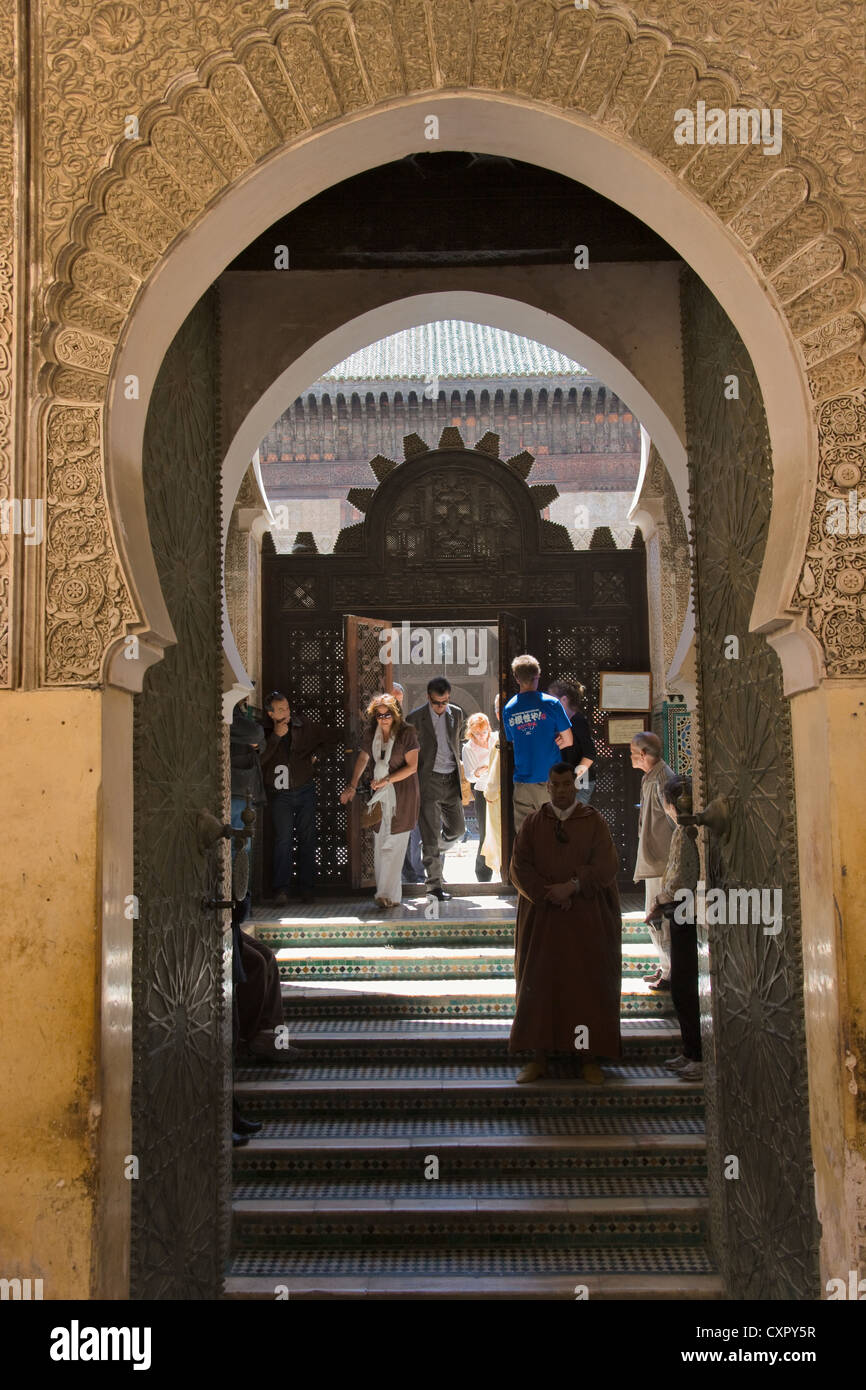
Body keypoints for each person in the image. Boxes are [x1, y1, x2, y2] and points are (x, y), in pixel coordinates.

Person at [509, 762, 622, 1084]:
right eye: (555, 785)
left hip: (584, 921)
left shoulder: (594, 822)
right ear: (548, 787)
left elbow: (606, 864)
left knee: (584, 988)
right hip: (543, 921)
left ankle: (586, 1057)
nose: (561, 790)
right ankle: (539, 1057)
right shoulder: (533, 823)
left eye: (566, 785)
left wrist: (573, 886)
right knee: (539, 988)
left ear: (575, 785)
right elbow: (519, 867)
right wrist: (548, 895)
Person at [260, 690, 341, 906]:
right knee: (283, 841)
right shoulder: (264, 730)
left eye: (286, 707)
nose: (285, 712)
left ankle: (307, 889)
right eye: (280, 710)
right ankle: (281, 890)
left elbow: (329, 737)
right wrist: (276, 736)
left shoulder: (303, 725)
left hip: (304, 790)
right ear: (270, 714)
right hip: (279, 794)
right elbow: (259, 760)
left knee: (308, 839)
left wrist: (317, 757)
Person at [340, 693, 420, 908]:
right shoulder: (371, 734)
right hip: (380, 795)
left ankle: (384, 894)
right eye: (379, 715)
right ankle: (391, 896)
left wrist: (387, 780)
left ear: (395, 715)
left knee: (395, 844)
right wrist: (352, 785)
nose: (383, 719)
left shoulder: (407, 732)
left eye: (387, 715)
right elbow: (364, 758)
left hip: (402, 794)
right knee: (381, 842)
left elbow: (412, 767)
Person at [647, 776, 702, 1081]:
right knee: (683, 985)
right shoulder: (688, 830)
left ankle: (697, 1054)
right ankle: (690, 1051)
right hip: (688, 911)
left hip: (684, 912)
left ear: (669, 803)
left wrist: (658, 900)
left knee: (685, 986)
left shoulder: (685, 832)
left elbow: (679, 880)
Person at [406, 677, 465, 901]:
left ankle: (430, 846)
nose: (441, 707)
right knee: (430, 834)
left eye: (445, 702)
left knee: (458, 830)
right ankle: (434, 886)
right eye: (437, 703)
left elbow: (455, 744)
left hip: (450, 779)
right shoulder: (415, 719)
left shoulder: (456, 714)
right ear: (429, 698)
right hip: (428, 779)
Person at [502, 654, 573, 832]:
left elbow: (512, 739)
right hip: (551, 780)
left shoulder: (509, 708)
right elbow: (569, 740)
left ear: (517, 678)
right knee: (554, 832)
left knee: (526, 835)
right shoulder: (552, 704)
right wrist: (553, 743)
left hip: (523, 782)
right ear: (538, 675)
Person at [631, 731, 675, 990]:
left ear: (644, 754)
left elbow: (675, 821)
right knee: (654, 917)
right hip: (654, 860)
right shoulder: (653, 777)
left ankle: (670, 973)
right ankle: (666, 967)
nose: (631, 757)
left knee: (658, 918)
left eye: (633, 753)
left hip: (662, 862)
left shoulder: (663, 781)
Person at [393, 683, 425, 884]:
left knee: (412, 831)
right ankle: (402, 874)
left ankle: (415, 873)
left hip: (408, 787)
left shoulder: (408, 728)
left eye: (399, 700)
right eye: (394, 699)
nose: (397, 704)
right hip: (388, 788)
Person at [548, 678, 597, 804]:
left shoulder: (578, 720)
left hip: (581, 782)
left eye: (552, 699)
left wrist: (575, 780)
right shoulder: (561, 722)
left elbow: (589, 754)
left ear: (564, 700)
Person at [461, 712, 494, 882]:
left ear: (488, 729)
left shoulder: (496, 740)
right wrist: (478, 771)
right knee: (485, 832)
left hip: (500, 788)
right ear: (470, 733)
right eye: (476, 734)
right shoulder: (468, 748)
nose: (481, 737)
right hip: (482, 790)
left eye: (483, 733)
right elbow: (469, 777)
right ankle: (483, 874)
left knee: (502, 830)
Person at [480, 695, 503, 879]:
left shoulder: (499, 739)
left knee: (500, 838)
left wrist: (490, 793)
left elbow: (495, 772)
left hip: (500, 797)